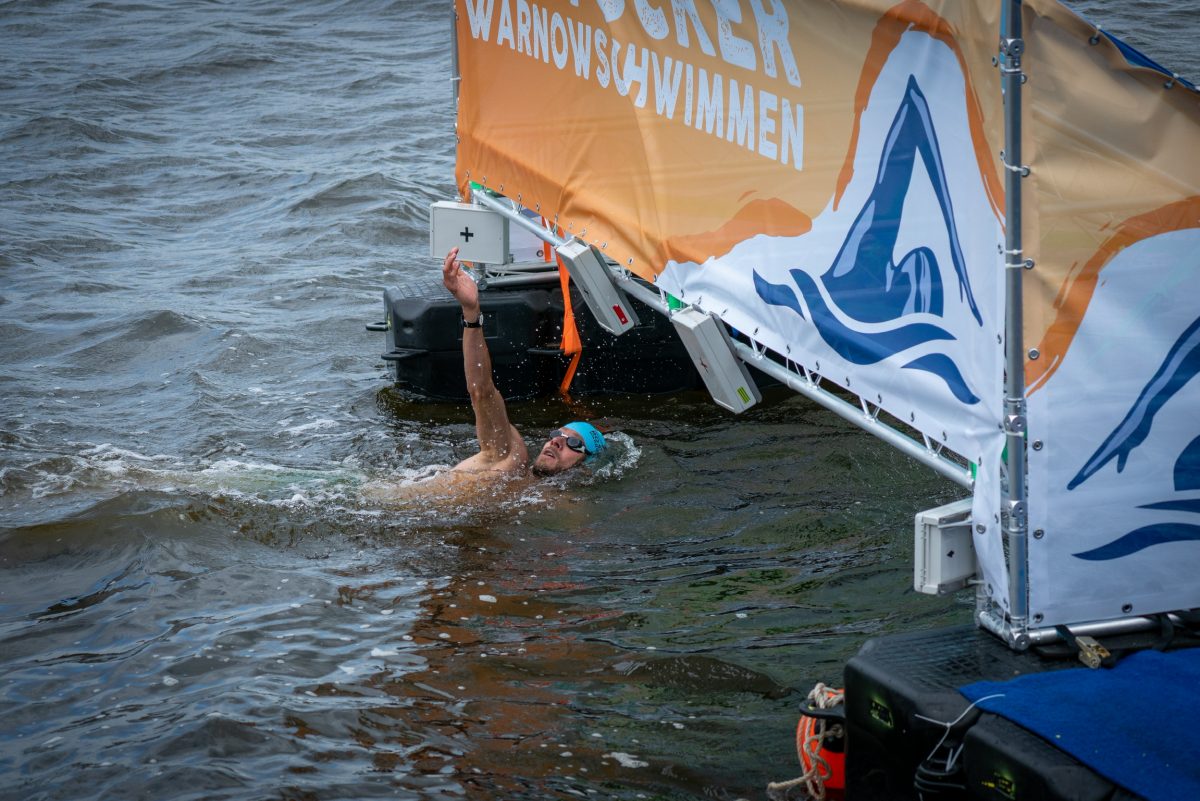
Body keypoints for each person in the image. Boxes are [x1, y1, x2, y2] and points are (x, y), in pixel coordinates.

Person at [363, 247, 607, 502]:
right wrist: (471, 312)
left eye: (573, 443)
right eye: (557, 434)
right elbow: (481, 390)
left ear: (587, 467)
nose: (556, 442)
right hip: (376, 504)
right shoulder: (510, 459)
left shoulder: (555, 504)